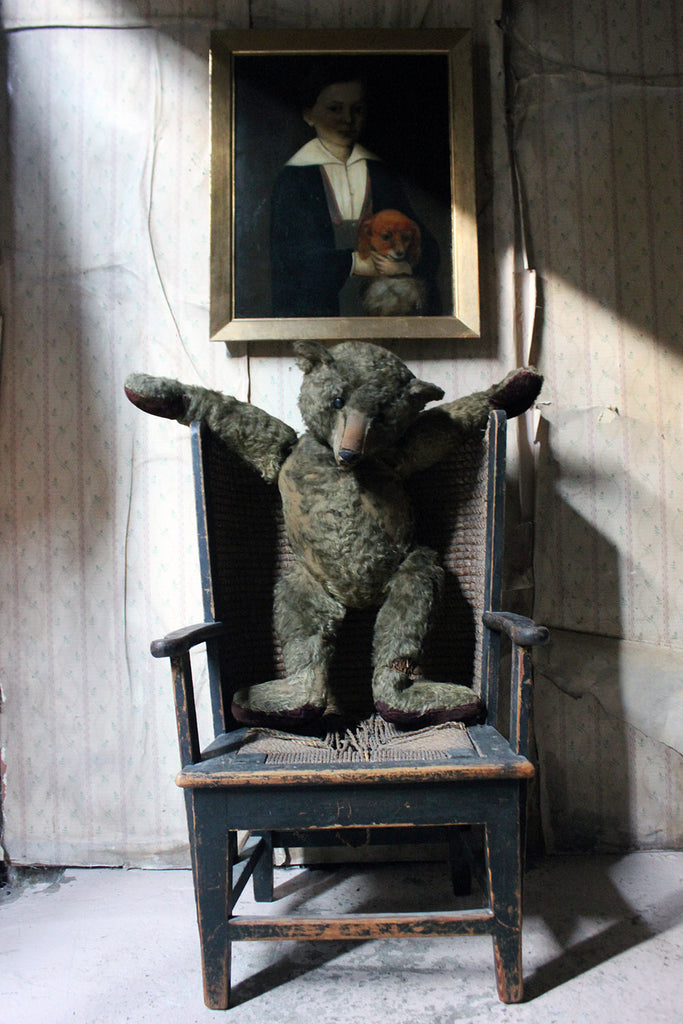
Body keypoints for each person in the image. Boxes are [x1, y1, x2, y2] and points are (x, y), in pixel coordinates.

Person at [270, 61, 440, 317]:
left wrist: (405, 266)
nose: (348, 120)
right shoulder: (294, 178)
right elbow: (294, 258)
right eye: (335, 109)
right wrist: (354, 263)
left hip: (377, 309)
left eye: (357, 109)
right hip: (319, 311)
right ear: (309, 115)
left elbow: (425, 243)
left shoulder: (379, 174)